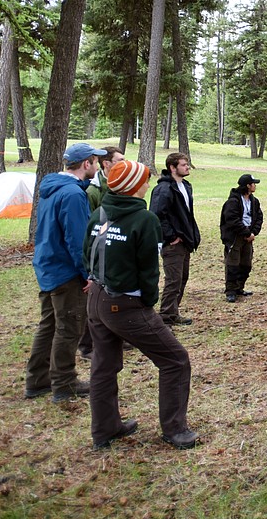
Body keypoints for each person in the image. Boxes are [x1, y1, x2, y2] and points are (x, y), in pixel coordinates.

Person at [84, 160, 198, 450]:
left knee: (103, 366)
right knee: (175, 360)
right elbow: (149, 270)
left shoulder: (100, 212)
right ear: (134, 186)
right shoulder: (144, 220)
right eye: (143, 180)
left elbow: (87, 252)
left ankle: (105, 429)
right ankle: (175, 429)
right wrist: (147, 302)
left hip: (96, 297)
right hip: (126, 304)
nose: (147, 183)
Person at [25, 142, 105, 403]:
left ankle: (37, 380)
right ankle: (64, 382)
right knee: (68, 327)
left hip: (48, 265)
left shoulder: (53, 187)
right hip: (64, 270)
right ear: (86, 164)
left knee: (49, 325)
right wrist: (87, 274)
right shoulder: (72, 194)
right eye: (95, 161)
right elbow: (76, 238)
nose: (98, 166)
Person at [79, 146, 125, 360]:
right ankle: (87, 346)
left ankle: (116, 336)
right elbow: (89, 227)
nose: (124, 163)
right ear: (107, 164)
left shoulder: (118, 185)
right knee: (95, 301)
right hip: (98, 253)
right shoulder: (94, 191)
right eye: (119, 160)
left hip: (115, 250)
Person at [150, 152, 201, 326]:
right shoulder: (164, 189)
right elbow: (156, 215)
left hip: (185, 241)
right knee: (173, 280)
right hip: (173, 244)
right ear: (172, 167)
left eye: (187, 164)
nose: (187, 167)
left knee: (182, 278)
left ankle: (173, 312)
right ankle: (165, 318)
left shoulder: (185, 186)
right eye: (183, 165)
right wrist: (171, 236)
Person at [221, 173, 264, 303]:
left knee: (246, 264)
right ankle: (231, 290)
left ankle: (240, 287)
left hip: (248, 237)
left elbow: (259, 217)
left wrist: (253, 233)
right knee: (233, 264)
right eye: (253, 184)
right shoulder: (233, 202)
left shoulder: (254, 201)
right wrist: (246, 233)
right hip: (235, 237)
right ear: (247, 185)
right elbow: (232, 220)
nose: (255, 186)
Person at [86, 146, 125, 212]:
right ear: (106, 164)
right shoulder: (93, 191)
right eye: (121, 160)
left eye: (125, 160)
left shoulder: (128, 184)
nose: (125, 164)